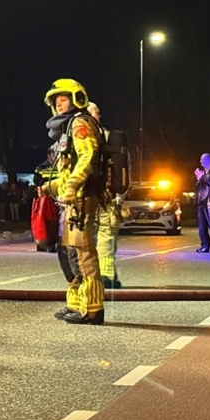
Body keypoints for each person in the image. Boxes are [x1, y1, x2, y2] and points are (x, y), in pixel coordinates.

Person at [38, 79, 105, 325]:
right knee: (70, 253)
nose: (58, 104)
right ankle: (76, 304)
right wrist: (48, 187)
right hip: (72, 200)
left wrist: (74, 186)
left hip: (83, 198)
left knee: (83, 252)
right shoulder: (67, 128)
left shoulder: (79, 123)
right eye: (56, 101)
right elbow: (67, 172)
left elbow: (88, 157)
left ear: (77, 99)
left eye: (63, 99)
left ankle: (93, 309)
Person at [87, 101, 121, 289]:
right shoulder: (104, 136)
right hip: (98, 196)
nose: (99, 116)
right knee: (104, 235)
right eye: (96, 113)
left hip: (100, 196)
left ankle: (105, 275)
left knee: (104, 234)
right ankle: (104, 274)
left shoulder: (99, 137)